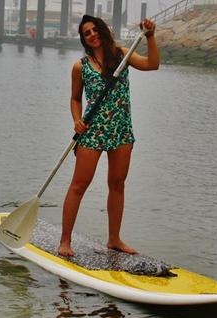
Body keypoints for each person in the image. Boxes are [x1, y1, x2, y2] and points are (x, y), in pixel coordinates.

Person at [58, 15, 159, 256]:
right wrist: (76, 120)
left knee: (117, 184)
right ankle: (65, 241)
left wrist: (151, 37)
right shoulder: (80, 66)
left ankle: (114, 239)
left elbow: (152, 64)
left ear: (103, 31)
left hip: (121, 130)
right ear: (83, 39)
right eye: (86, 33)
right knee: (79, 185)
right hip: (93, 131)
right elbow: (75, 98)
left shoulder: (122, 55)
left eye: (95, 30)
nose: (92, 35)